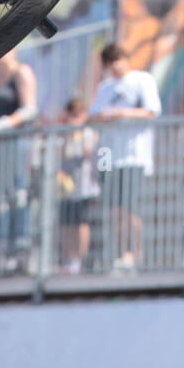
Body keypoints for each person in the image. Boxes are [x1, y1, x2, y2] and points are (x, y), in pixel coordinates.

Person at [89, 44, 161, 268]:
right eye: (111, 63)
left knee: (130, 209)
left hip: (133, 156)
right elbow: (93, 116)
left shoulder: (142, 80)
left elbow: (151, 111)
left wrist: (121, 113)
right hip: (109, 156)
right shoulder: (105, 87)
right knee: (115, 210)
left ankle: (134, 252)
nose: (115, 66)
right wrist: (106, 117)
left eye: (118, 60)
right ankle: (121, 252)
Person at [0, 48, 38, 274]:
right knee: (1, 198)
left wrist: (0, 125)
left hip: (16, 143)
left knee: (18, 195)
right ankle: (2, 251)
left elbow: (29, 110)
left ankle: (20, 249)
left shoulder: (22, 73)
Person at [56, 96, 99, 274]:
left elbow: (92, 154)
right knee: (67, 224)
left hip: (84, 186)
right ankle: (68, 259)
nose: (74, 118)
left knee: (81, 222)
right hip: (66, 187)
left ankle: (80, 259)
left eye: (78, 114)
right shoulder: (63, 134)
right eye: (71, 114)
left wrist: (79, 134)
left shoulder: (89, 133)